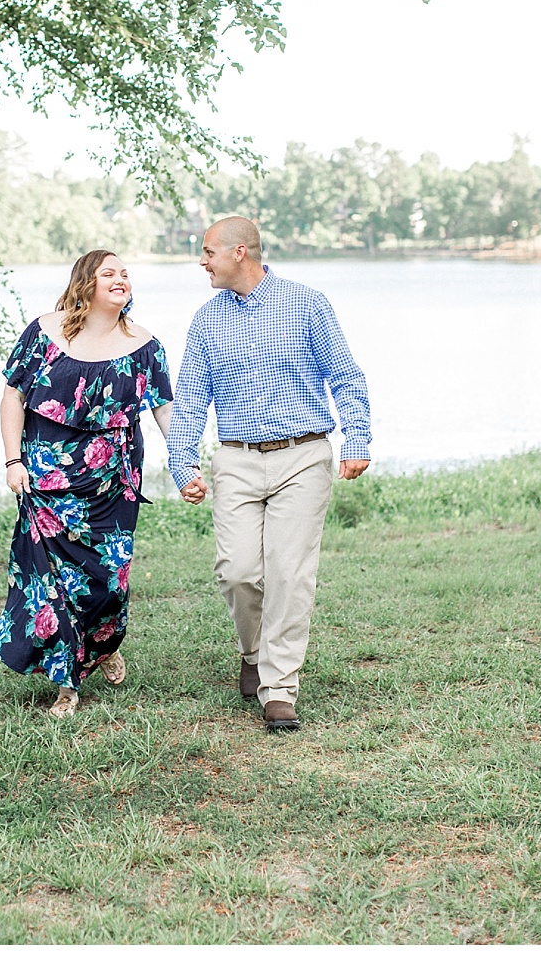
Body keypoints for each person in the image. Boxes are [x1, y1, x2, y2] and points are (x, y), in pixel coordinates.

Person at [167, 216, 371, 733]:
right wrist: (182, 460)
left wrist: (358, 438)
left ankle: (278, 689)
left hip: (303, 456)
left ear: (239, 253)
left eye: (208, 251)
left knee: (288, 572)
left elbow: (346, 376)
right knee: (237, 570)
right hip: (235, 458)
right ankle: (253, 651)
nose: (202, 261)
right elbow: (190, 398)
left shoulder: (306, 303)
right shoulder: (207, 320)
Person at [0, 250, 175, 717]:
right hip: (46, 473)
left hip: (112, 478)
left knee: (108, 581)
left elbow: (163, 410)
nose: (121, 279)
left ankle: (104, 643)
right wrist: (13, 460)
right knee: (52, 582)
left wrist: (186, 462)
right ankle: (66, 684)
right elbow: (13, 397)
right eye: (109, 273)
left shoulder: (145, 345)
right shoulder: (45, 333)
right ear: (86, 283)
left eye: (125, 273)